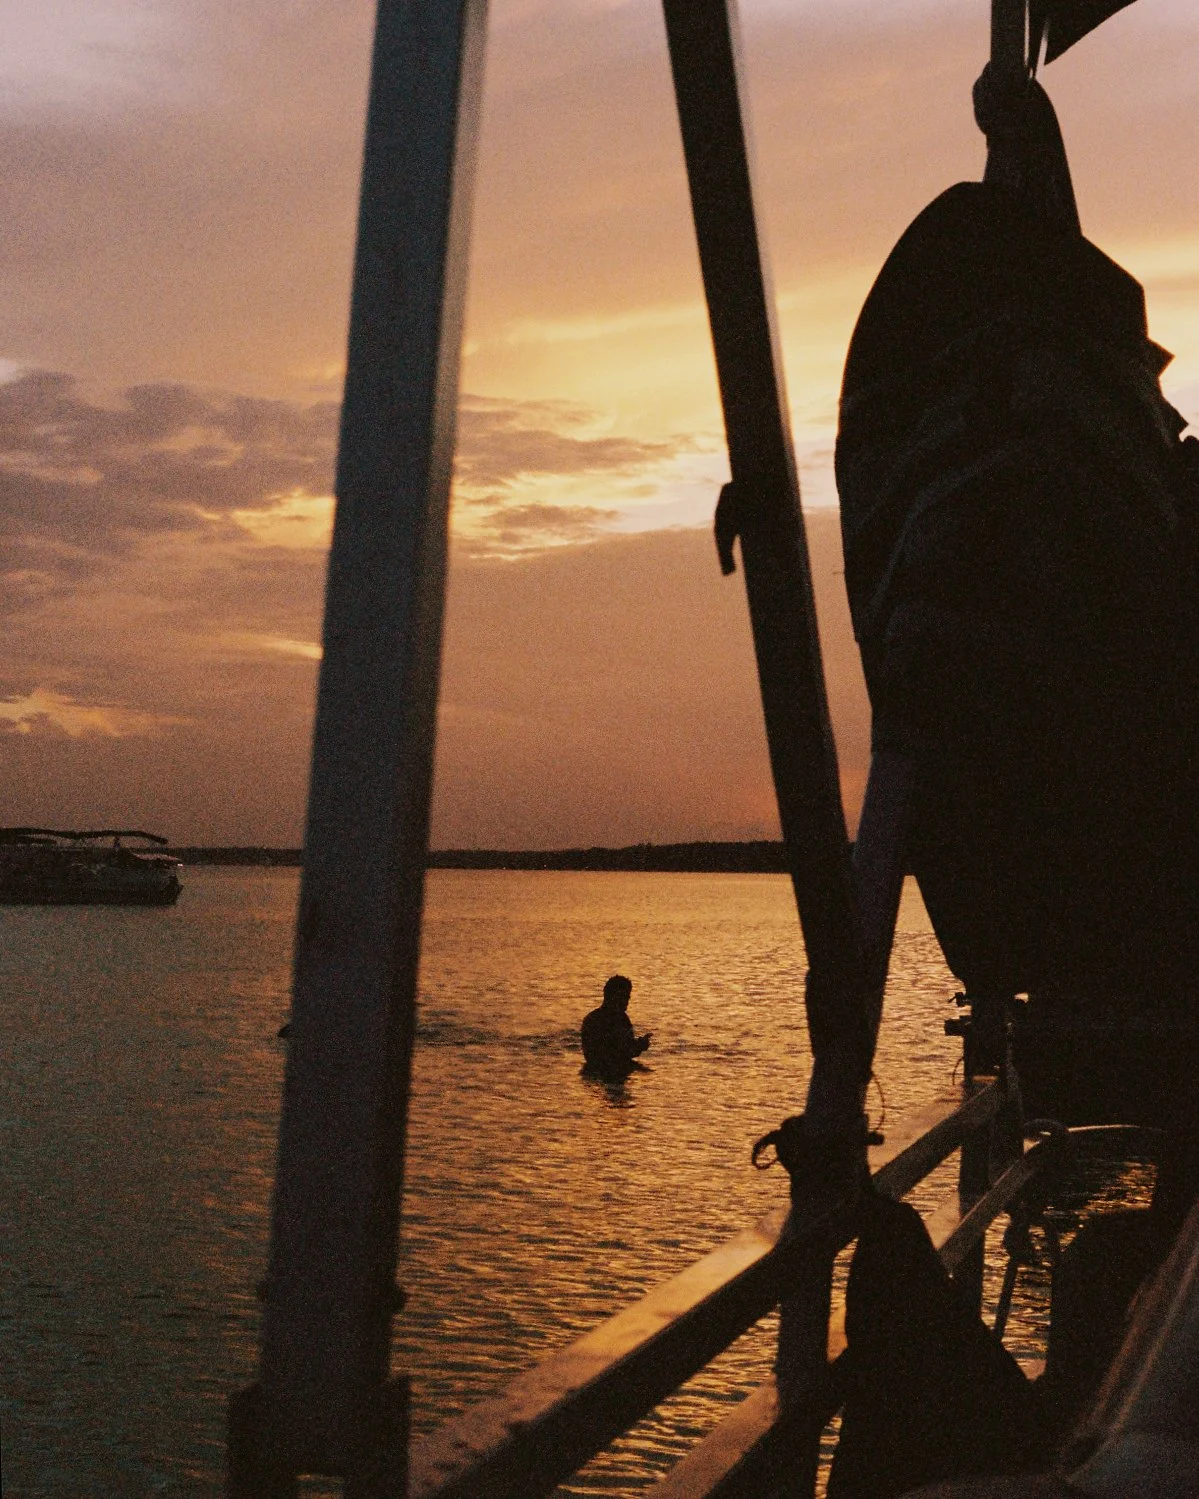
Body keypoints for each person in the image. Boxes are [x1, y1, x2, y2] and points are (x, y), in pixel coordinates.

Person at [580, 975, 650, 1077]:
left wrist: (638, 1045)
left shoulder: (592, 1018)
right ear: (613, 996)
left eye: (627, 997)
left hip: (594, 1070)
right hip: (609, 1070)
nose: (627, 1001)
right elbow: (617, 1053)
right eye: (625, 996)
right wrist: (639, 1046)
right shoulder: (617, 1020)